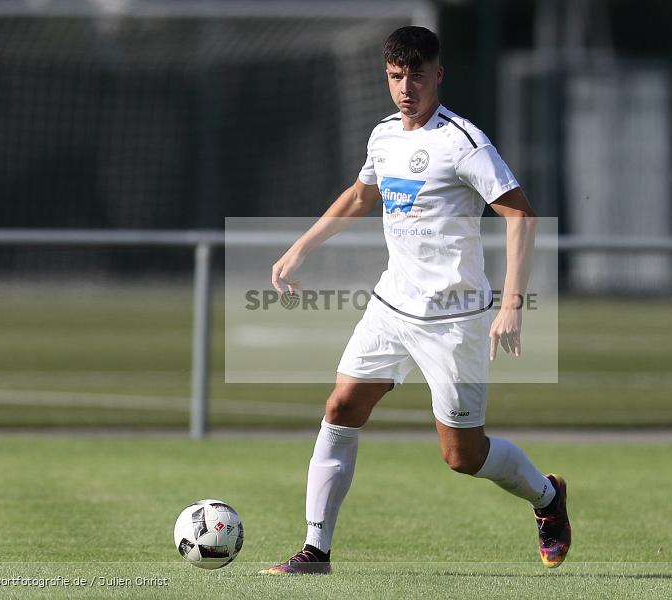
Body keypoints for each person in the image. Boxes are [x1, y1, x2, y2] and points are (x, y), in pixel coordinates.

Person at [259, 26, 570, 575]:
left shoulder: (463, 142)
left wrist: (512, 304)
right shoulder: (383, 135)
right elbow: (361, 196)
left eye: (417, 77)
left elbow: (521, 214)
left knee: (462, 456)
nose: (407, 88)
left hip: (454, 320)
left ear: (438, 75)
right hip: (391, 306)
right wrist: (301, 247)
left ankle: (547, 496)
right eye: (397, 76)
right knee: (341, 407)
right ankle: (315, 551)